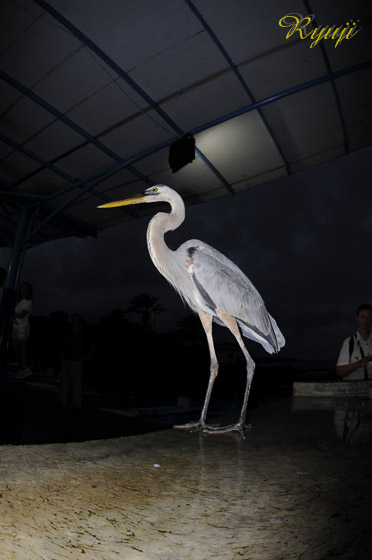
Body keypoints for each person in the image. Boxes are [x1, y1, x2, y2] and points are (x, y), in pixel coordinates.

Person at [59, 313, 95, 411]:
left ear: (80, 321)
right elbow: (61, 343)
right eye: (73, 319)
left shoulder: (84, 332)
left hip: (77, 362)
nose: (74, 321)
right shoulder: (68, 331)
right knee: (64, 383)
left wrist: (85, 357)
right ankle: (62, 402)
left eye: (76, 319)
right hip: (66, 360)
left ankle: (77, 405)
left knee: (76, 384)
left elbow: (92, 346)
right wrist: (62, 355)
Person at [336, 303, 372, 380]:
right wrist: (359, 364)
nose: (366, 320)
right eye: (363, 317)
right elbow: (339, 371)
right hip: (354, 391)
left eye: (369, 317)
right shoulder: (349, 342)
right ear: (357, 318)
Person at [11, 282, 33, 379]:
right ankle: (25, 368)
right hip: (15, 327)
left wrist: (11, 312)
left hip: (23, 328)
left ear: (29, 290)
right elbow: (14, 316)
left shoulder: (28, 302)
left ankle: (22, 371)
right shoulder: (19, 302)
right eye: (22, 288)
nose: (23, 290)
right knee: (14, 349)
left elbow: (20, 315)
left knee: (21, 350)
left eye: (25, 288)